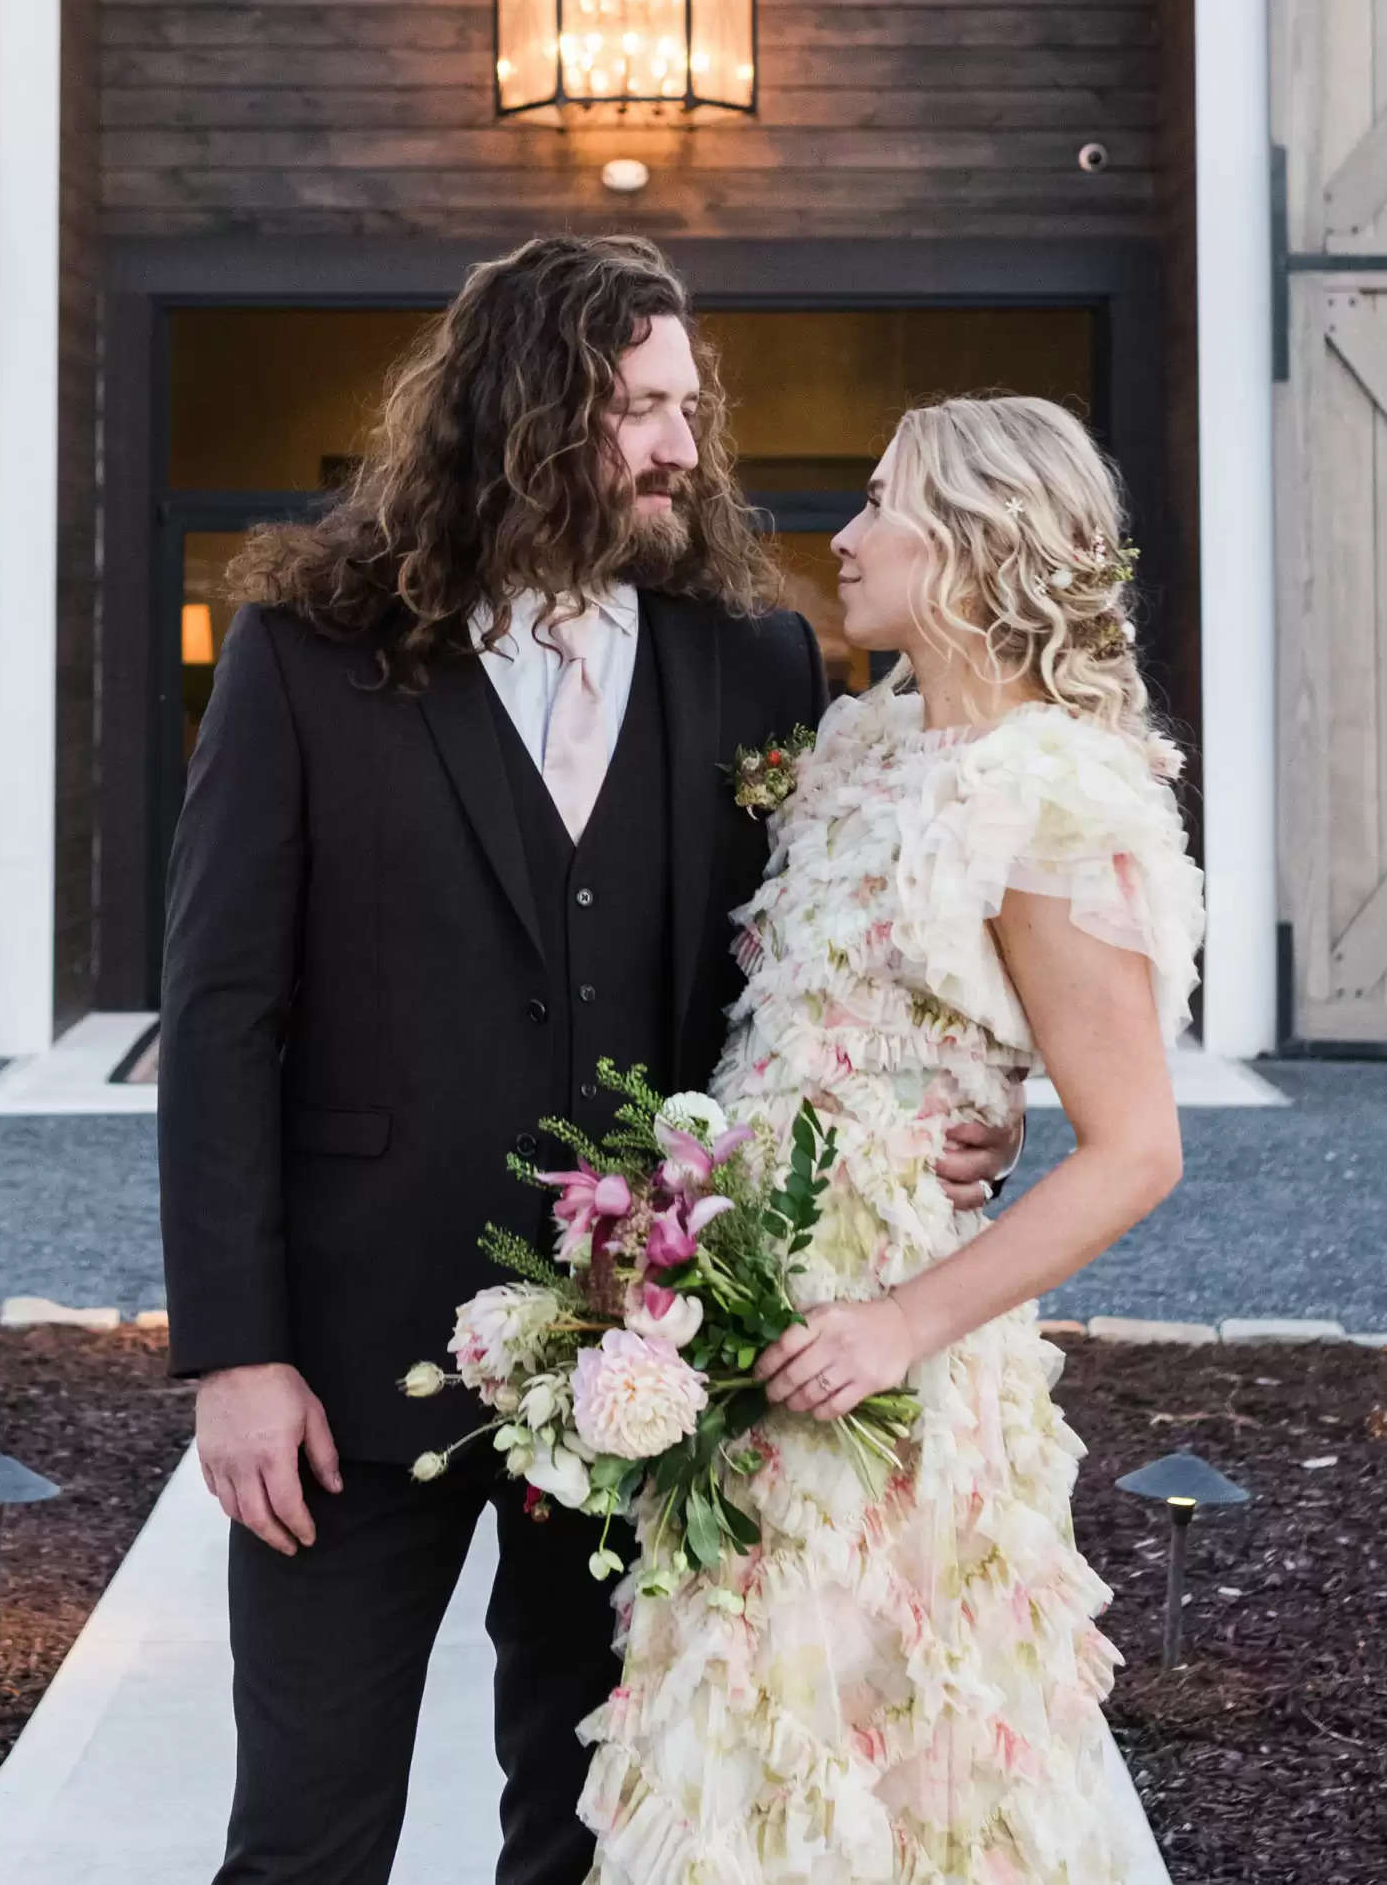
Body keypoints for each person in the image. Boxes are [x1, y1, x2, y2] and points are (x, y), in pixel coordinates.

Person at [156, 235, 1023, 1885]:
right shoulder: (305, 652)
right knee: (304, 1840)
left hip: (656, 1367)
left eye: (687, 405)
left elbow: (817, 956)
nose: (684, 448)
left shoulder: (754, 663)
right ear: (522, 409)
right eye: (640, 407)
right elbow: (217, 1021)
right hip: (350, 1369)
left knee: (596, 1834)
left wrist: (939, 1108)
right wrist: (233, 1353)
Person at [579, 392, 1203, 1885]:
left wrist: (895, 1323)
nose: (842, 537)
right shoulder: (857, 745)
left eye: (877, 505)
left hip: (894, 1360)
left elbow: (1136, 1147)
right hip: (754, 1321)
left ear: (977, 548)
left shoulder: (1047, 799)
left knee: (887, 1743)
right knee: (735, 1725)